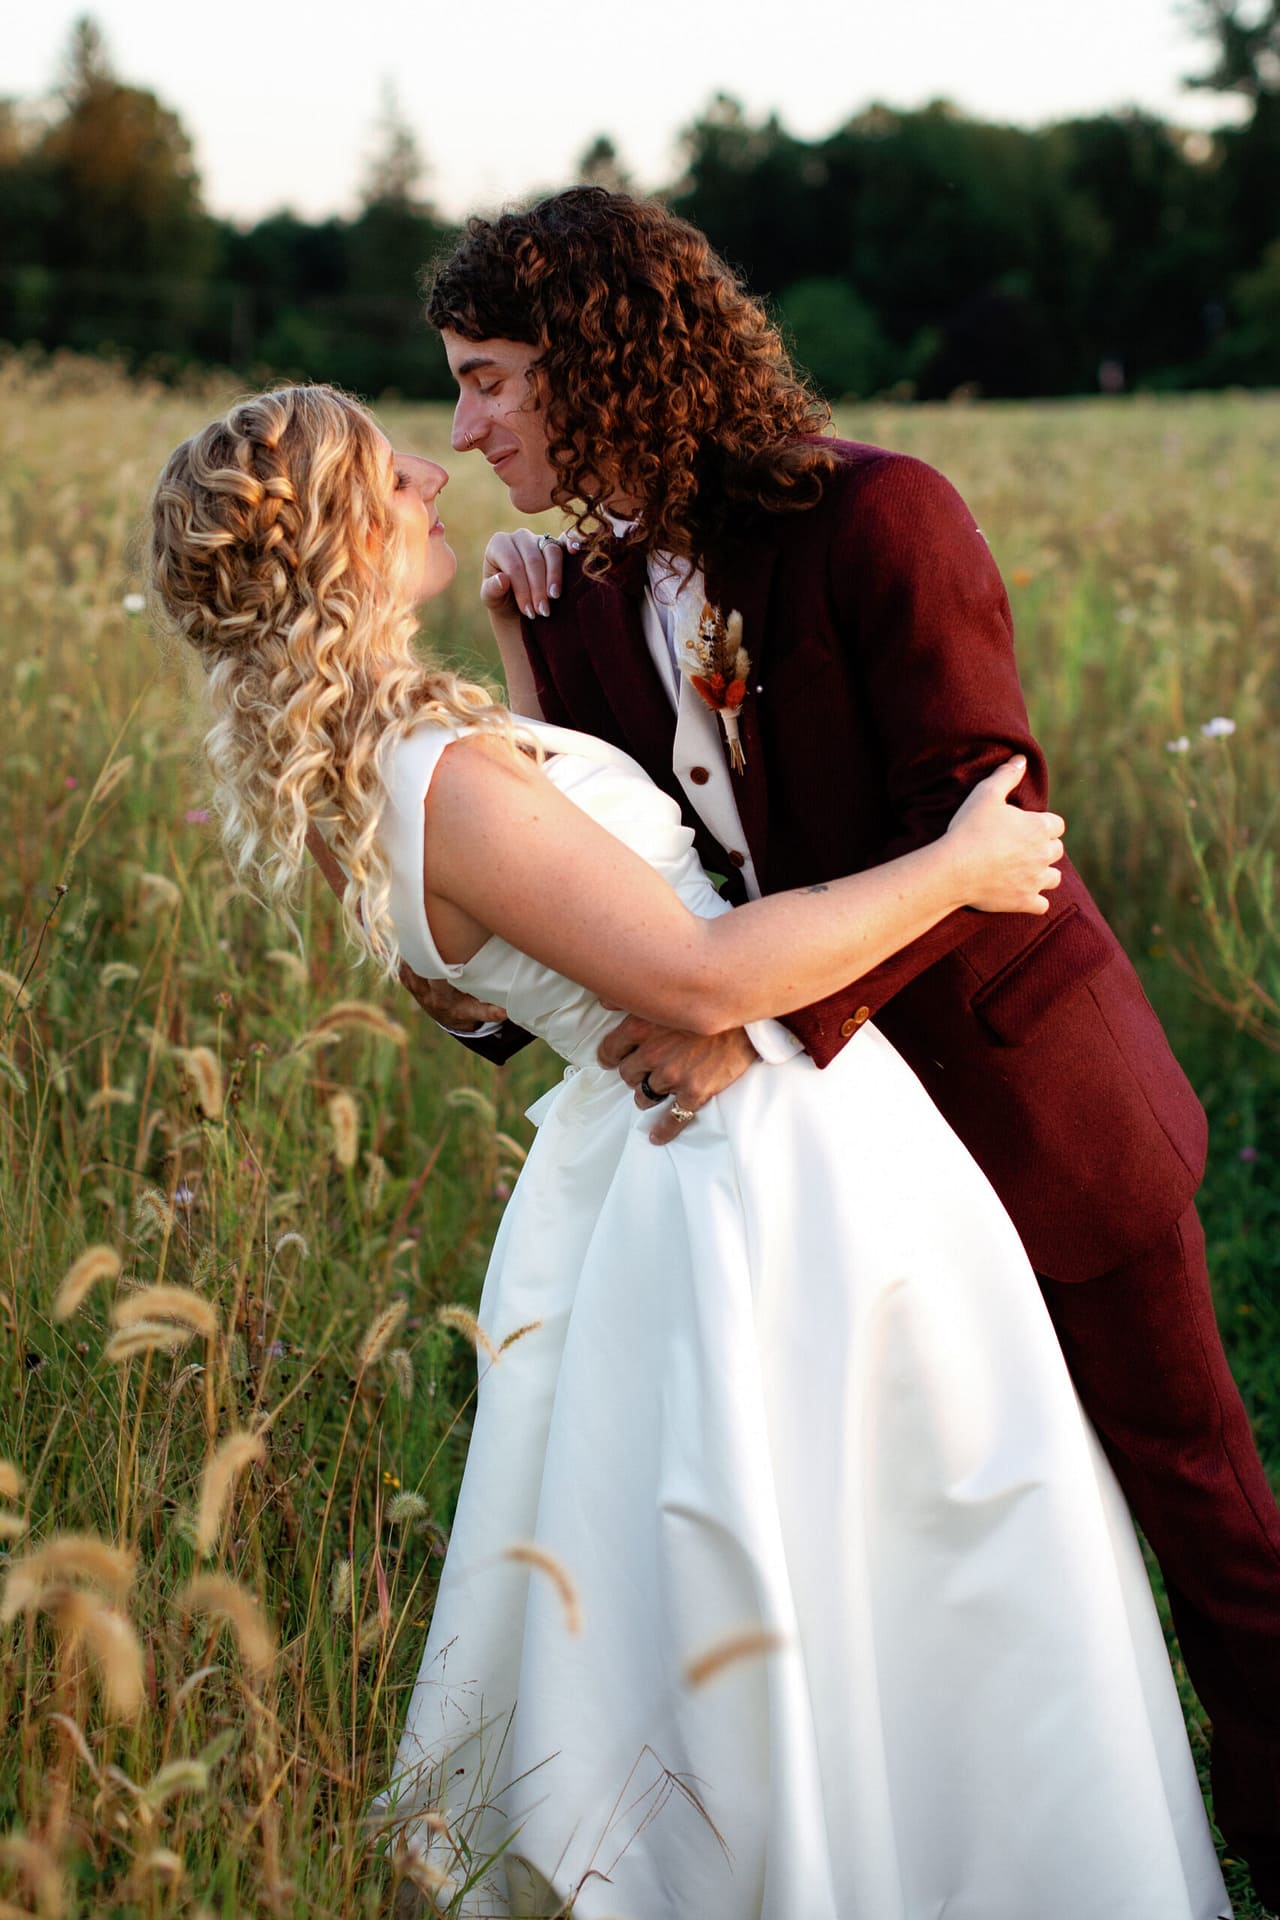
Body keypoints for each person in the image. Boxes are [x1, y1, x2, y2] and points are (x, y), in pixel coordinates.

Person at [149, 384, 1232, 1920]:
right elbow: (704, 977)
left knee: (862, 1561)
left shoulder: (388, 761)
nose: (422, 465)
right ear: (331, 537)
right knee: (921, 1547)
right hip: (757, 1173)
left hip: (698, 1154)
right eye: (375, 466)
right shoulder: (435, 781)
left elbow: (555, 926)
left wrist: (532, 659)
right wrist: (960, 868)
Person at [422, 185, 1280, 1912]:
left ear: (597, 361)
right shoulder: (580, 593)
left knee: (1207, 1520)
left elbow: (990, 832)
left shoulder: (883, 517)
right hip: (831, 1196)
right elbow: (632, 886)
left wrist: (760, 1017)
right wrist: (526, 656)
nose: (464, 424)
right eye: (458, 383)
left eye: (493, 377)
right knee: (942, 1560)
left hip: (1033, 1123)